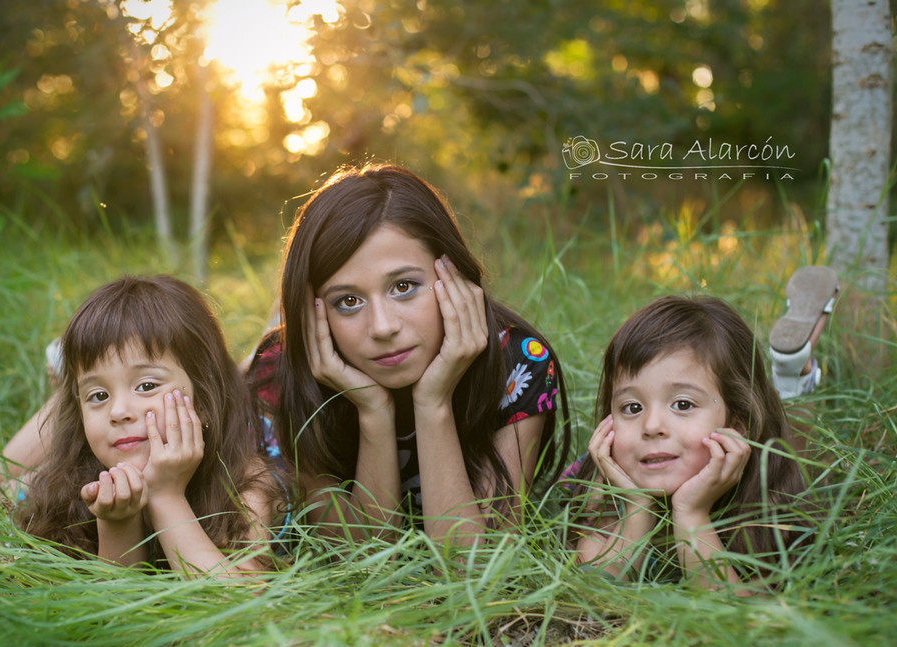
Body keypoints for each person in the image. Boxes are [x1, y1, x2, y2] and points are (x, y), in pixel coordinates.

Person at [249, 164, 570, 546]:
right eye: (348, 301)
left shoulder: (518, 364)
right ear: (315, 309)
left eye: (403, 286)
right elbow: (356, 562)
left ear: (452, 277)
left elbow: (476, 565)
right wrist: (373, 412)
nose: (382, 327)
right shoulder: (287, 370)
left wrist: (434, 403)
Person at [568, 278, 835, 591]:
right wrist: (637, 509)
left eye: (682, 404)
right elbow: (593, 597)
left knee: (797, 451)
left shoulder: (770, 504)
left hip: (766, 458)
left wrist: (691, 515)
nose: (652, 426)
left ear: (736, 424)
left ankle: (792, 379)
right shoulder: (601, 491)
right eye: (632, 407)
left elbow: (740, 616)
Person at [10, 275, 284, 578]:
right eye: (99, 395)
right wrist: (118, 524)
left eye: (146, 385)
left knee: (248, 380)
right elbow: (118, 607)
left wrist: (166, 495)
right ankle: (72, 381)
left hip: (248, 418)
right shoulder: (77, 481)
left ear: (203, 401)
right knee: (0, 484)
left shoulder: (248, 479)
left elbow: (241, 594)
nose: (118, 411)